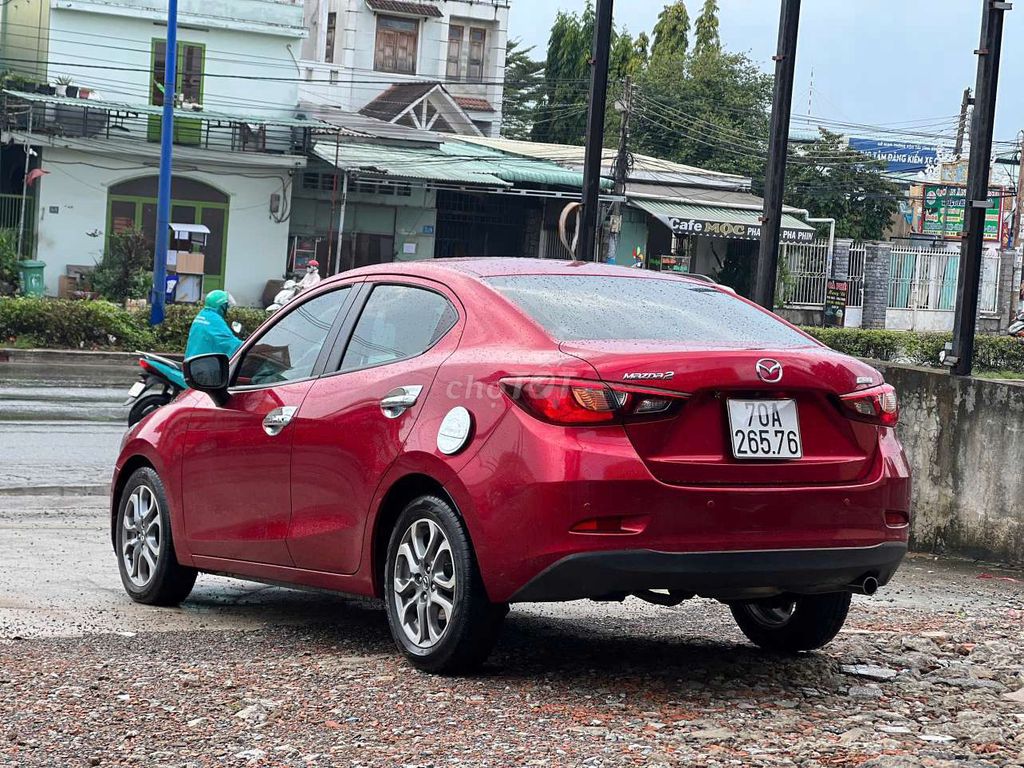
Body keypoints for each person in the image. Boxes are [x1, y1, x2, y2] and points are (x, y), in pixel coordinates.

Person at [185, 289, 242, 359]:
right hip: (205, 365)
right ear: (222, 306)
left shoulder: (203, 314)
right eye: (226, 306)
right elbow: (228, 342)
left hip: (193, 359)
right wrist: (246, 345)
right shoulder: (214, 319)